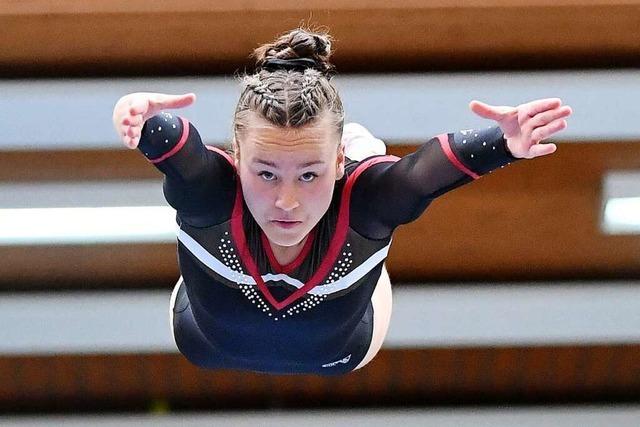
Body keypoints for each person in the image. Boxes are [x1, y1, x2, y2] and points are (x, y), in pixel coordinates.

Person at [112, 28, 572, 375]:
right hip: (203, 341)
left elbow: (422, 173)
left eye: (309, 174)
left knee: (379, 195)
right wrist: (135, 116)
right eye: (265, 173)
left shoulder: (366, 201)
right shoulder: (213, 191)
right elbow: (176, 148)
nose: (286, 201)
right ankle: (350, 161)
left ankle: (358, 156)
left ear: (335, 163)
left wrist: (503, 142)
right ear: (236, 157)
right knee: (368, 206)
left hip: (345, 348)